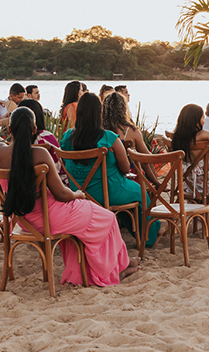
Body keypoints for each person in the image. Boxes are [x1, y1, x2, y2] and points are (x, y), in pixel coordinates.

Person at [0, 106, 139, 287]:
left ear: (9, 130)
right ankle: (113, 272)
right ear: (35, 130)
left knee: (84, 225)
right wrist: (78, 194)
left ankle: (82, 274)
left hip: (24, 220)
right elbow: (62, 194)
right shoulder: (40, 154)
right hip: (51, 217)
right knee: (108, 218)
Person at [60, 93, 159, 247]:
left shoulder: (67, 137)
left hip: (79, 192)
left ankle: (135, 228)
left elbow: (65, 164)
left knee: (128, 195)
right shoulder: (109, 137)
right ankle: (149, 236)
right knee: (141, 194)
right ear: (98, 113)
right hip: (108, 190)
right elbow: (126, 168)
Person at [102, 91, 154, 181]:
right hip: (131, 176)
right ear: (124, 109)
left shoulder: (100, 131)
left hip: (106, 176)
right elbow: (146, 157)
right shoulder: (133, 131)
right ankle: (156, 187)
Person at [17, 99, 66, 176]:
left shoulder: (13, 142)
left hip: (24, 182)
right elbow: (59, 165)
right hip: (52, 183)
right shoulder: (46, 137)